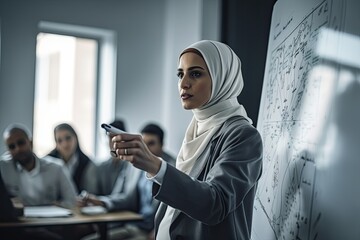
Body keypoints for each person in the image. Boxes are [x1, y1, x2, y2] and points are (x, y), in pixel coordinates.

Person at [111, 40, 263, 239]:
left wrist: (156, 166)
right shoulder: (196, 128)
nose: (183, 84)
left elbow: (215, 203)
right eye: (180, 74)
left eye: (196, 73)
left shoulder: (243, 135)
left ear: (222, 78)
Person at [79, 120, 157, 240]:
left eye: (151, 143)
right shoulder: (134, 166)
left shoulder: (171, 168)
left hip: (151, 230)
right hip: (133, 225)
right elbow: (125, 197)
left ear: (162, 145)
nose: (146, 149)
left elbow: (173, 205)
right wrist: (101, 201)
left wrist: (157, 230)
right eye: (144, 144)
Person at [0, 123, 77, 208]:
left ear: (31, 142)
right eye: (12, 147)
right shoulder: (3, 168)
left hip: (51, 219)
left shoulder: (56, 167)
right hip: (17, 220)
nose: (17, 149)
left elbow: (72, 200)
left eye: (21, 143)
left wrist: (58, 206)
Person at [45, 123, 97, 194]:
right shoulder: (48, 162)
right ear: (56, 144)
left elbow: (90, 192)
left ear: (75, 138)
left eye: (68, 138)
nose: (65, 144)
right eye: (60, 140)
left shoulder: (87, 163)